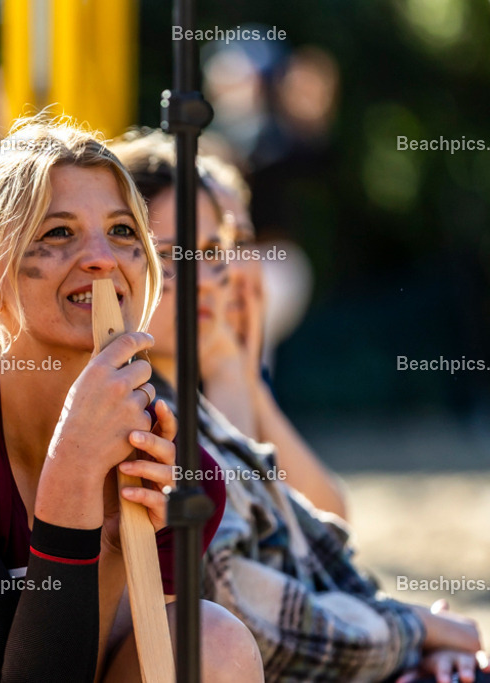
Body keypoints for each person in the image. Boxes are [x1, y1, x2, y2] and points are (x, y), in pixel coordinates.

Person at [0, 117, 264, 682]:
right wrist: (72, 476)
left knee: (206, 639)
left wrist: (117, 533)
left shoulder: (174, 469)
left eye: (122, 232)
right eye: (58, 233)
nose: (101, 258)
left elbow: (83, 669)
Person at [110, 129, 490, 683]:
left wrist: (236, 372)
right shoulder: (147, 418)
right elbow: (249, 596)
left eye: (225, 248)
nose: (219, 277)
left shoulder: (193, 402)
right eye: (178, 256)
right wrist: (411, 632)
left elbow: (317, 535)